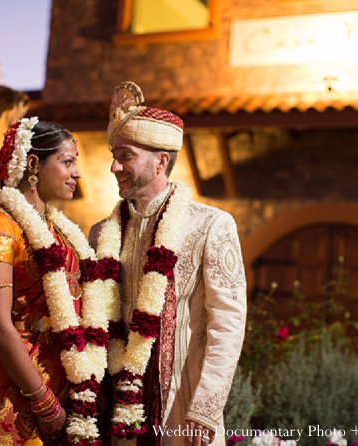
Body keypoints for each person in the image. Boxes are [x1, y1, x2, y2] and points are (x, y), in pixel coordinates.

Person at [89, 82, 247, 446]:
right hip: (117, 405)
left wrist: (204, 410)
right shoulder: (102, 233)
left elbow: (228, 323)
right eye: (114, 154)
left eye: (125, 155)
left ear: (161, 161)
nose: (114, 166)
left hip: (180, 405)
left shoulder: (210, 225)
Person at [0, 117, 109, 446]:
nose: (77, 173)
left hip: (62, 383)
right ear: (33, 164)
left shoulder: (62, 233)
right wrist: (43, 401)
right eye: (67, 162)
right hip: (10, 386)